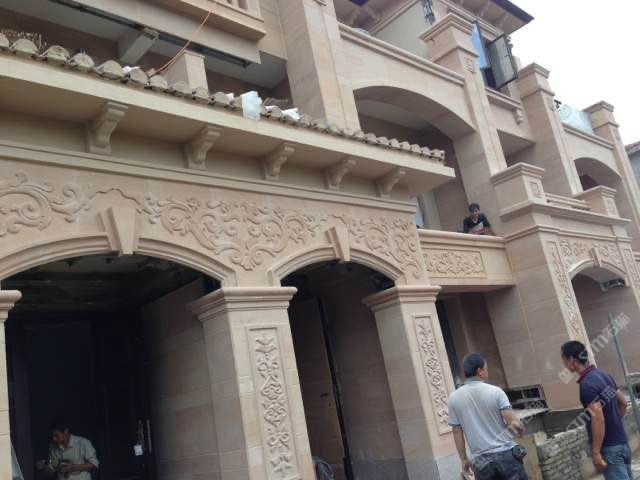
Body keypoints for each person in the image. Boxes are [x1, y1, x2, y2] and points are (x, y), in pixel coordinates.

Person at [447, 353, 528, 480]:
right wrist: (521, 431)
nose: (487, 371)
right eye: (486, 368)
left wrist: (463, 459)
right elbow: (514, 424)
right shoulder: (496, 392)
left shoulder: (454, 398)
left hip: (481, 463)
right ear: (479, 371)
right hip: (506, 456)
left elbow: (457, 431)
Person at [561, 341, 632, 480]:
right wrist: (614, 423)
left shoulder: (587, 384)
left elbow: (598, 419)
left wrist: (596, 452)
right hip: (623, 443)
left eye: (564, 359)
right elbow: (623, 403)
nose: (564, 364)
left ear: (572, 360)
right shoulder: (604, 375)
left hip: (609, 449)